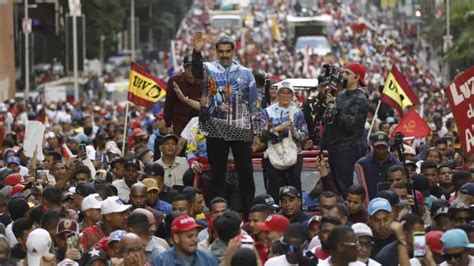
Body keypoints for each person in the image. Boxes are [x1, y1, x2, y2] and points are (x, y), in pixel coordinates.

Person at [192, 32, 260, 216]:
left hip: (241, 128)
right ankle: (219, 214)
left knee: (245, 173)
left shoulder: (245, 73)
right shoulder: (208, 69)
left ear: (233, 51)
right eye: (220, 51)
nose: (224, 55)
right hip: (215, 128)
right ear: (216, 52)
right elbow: (196, 72)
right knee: (218, 175)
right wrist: (196, 53)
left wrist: (257, 133)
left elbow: (254, 104)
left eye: (227, 51)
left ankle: (249, 213)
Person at [320, 62, 370, 197]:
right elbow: (328, 120)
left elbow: (350, 125)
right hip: (334, 147)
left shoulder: (360, 99)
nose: (344, 76)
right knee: (334, 186)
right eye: (344, 72)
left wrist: (336, 109)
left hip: (348, 149)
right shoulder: (341, 95)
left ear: (357, 77)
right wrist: (329, 106)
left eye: (348, 73)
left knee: (345, 188)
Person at [262, 81, 309, 200]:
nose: (285, 96)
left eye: (288, 93)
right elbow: (262, 135)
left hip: (294, 153)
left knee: (295, 185)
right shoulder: (267, 112)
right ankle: (274, 212)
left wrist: (293, 131)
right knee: (273, 186)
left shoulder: (298, 112)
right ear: (277, 95)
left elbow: (304, 135)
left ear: (292, 95)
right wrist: (278, 129)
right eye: (282, 92)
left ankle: (296, 212)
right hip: (273, 153)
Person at [152, 214, 218, 265]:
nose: (195, 240)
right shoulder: (161, 261)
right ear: (176, 238)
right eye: (190, 236)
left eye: (196, 235)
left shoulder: (209, 259)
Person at [354, 131, 400, 200]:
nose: (381, 151)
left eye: (384, 147)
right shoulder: (362, 164)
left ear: (388, 146)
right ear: (372, 146)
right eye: (378, 148)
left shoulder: (396, 163)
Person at [164, 54, 201, 137]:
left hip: (196, 123)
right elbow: (168, 104)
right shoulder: (174, 81)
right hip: (179, 123)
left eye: (193, 66)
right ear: (184, 68)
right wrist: (168, 125)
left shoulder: (203, 81)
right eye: (188, 67)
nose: (190, 69)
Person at [302, 75, 330, 146]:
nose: (327, 88)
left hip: (332, 142)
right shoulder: (309, 103)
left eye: (329, 86)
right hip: (314, 141)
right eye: (324, 86)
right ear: (318, 87)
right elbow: (305, 122)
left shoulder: (339, 101)